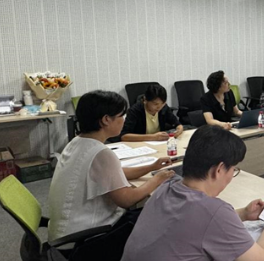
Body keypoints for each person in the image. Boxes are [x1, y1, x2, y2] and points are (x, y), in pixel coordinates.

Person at [115, 126, 264, 261]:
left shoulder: (166, 187)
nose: (232, 176)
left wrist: (244, 214)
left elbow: (197, 224)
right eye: (233, 169)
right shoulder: (214, 211)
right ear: (219, 170)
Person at [48, 90, 174, 243]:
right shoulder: (101, 153)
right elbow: (127, 199)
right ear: (106, 120)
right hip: (85, 239)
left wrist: (151, 167)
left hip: (65, 232)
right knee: (157, 212)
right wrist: (157, 180)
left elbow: (114, 174)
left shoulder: (77, 142)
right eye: (121, 115)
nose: (124, 120)